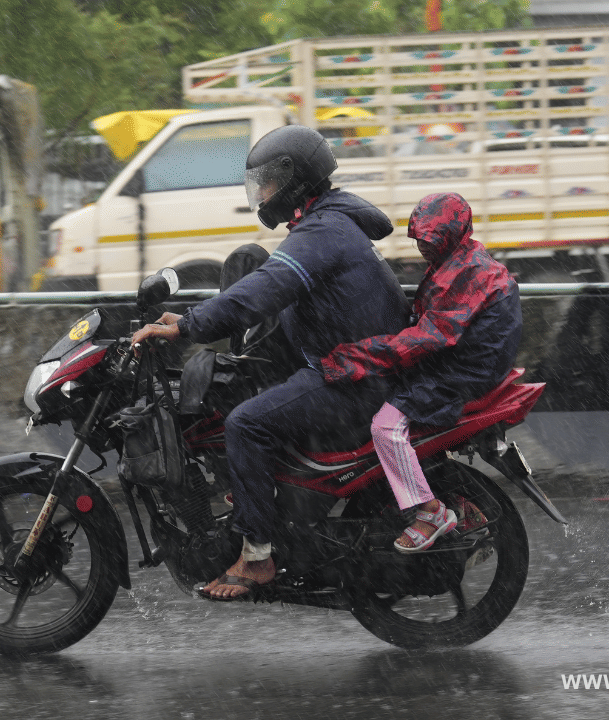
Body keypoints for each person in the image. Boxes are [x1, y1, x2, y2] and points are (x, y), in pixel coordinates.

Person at [131, 125, 409, 601]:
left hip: (352, 380)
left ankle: (256, 555)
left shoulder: (323, 232)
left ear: (296, 181)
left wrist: (187, 327)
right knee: (247, 264)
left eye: (269, 183)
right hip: (345, 365)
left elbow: (266, 289)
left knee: (246, 425)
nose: (262, 194)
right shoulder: (326, 223)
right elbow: (263, 284)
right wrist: (193, 319)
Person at [319, 192, 522, 553]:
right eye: (420, 240)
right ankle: (452, 499)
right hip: (462, 362)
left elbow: (428, 338)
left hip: (460, 373)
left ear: (450, 235)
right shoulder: (459, 259)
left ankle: (430, 513)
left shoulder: (467, 272)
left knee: (385, 426)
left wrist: (356, 356)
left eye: (431, 240)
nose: (423, 247)